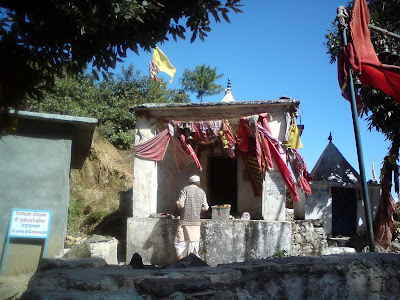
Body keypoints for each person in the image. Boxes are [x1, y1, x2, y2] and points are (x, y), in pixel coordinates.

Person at [174, 175, 209, 260]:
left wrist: (178, 203)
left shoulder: (185, 190)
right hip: (196, 223)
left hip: (184, 221)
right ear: (198, 183)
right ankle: (193, 264)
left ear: (189, 182)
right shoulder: (202, 192)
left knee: (179, 243)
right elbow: (206, 207)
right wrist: (197, 210)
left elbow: (181, 204)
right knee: (194, 243)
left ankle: (180, 262)